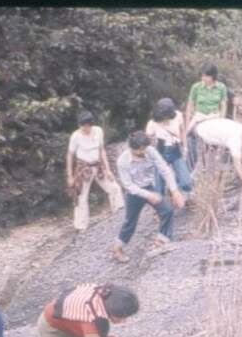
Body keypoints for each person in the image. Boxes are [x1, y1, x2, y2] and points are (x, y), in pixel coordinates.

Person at [111, 131, 185, 263]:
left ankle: (162, 241)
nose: (143, 152)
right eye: (140, 150)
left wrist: (174, 190)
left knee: (167, 211)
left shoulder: (150, 151)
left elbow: (164, 169)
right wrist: (148, 195)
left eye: (145, 149)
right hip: (134, 193)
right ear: (132, 148)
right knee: (130, 222)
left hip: (150, 186)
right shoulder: (122, 161)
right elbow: (129, 186)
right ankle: (117, 248)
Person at [66, 110, 124, 231]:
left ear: (90, 124)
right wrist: (70, 176)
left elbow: (102, 150)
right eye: (82, 126)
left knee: (115, 188)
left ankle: (120, 215)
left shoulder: (98, 131)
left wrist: (108, 169)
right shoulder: (76, 136)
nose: (84, 128)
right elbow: (70, 155)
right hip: (83, 168)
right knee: (81, 197)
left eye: (86, 126)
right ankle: (81, 226)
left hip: (98, 166)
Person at [192, 118, 242, 187]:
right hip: (198, 134)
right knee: (199, 168)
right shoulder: (235, 139)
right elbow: (237, 163)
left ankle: (211, 182)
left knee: (211, 166)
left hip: (206, 127)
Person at [145, 98, 193, 201]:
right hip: (160, 152)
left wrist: (185, 147)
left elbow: (182, 131)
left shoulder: (178, 116)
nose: (166, 118)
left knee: (186, 180)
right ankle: (161, 207)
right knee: (159, 184)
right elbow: (147, 140)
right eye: (164, 116)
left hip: (175, 149)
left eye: (168, 115)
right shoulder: (152, 123)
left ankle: (185, 198)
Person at [184, 62, 229, 169]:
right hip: (199, 116)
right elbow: (190, 106)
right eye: (202, 75)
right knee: (190, 137)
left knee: (215, 143)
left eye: (206, 75)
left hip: (214, 116)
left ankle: (213, 166)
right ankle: (189, 167)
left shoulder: (221, 87)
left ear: (213, 76)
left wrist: (221, 120)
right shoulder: (196, 87)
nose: (203, 78)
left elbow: (223, 105)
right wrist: (187, 123)